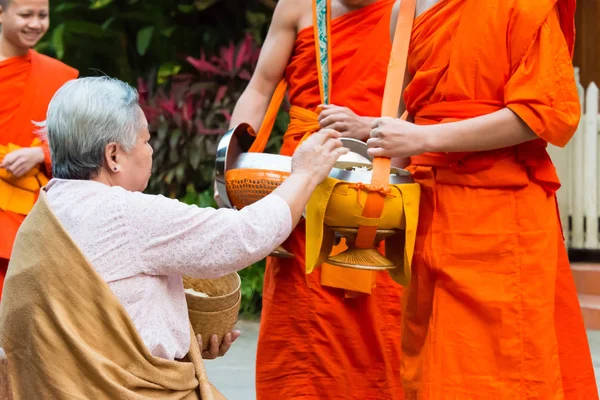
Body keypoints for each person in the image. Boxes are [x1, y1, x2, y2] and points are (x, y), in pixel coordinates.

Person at [0, 76, 348, 398]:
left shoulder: (43, 212)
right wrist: (306, 173)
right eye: (146, 140)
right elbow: (244, 235)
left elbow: (103, 317)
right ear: (113, 155)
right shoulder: (125, 213)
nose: (151, 151)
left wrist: (185, 337)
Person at [365, 0, 599, 397]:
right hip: (430, 214)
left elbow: (543, 113)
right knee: (434, 371)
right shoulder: (404, 11)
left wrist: (425, 138)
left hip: (504, 219)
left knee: (507, 372)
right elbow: (414, 115)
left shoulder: (523, 5)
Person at [222, 0, 405, 398]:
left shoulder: (412, 8)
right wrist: (230, 159)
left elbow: (427, 103)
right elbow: (260, 86)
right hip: (304, 189)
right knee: (301, 324)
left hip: (381, 186)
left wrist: (369, 126)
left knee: (384, 324)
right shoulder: (297, 7)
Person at [0, 0, 78, 297]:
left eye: (42, 15)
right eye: (25, 15)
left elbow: (78, 139)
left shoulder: (57, 76)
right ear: (1, 13)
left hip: (34, 208)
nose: (35, 23)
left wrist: (40, 154)